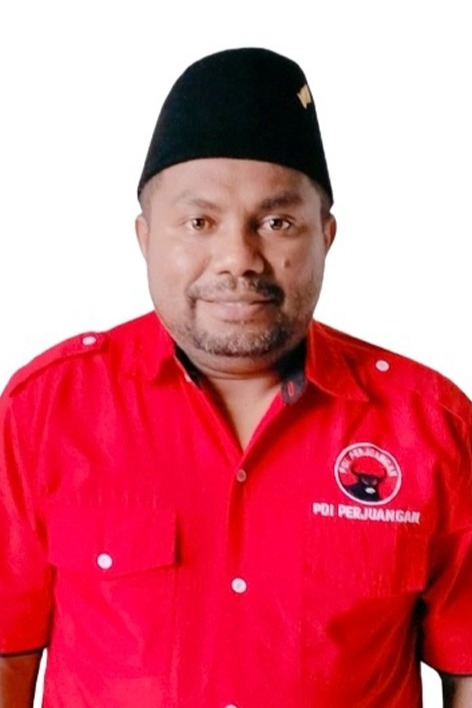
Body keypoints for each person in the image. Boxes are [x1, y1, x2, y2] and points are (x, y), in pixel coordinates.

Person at [0, 47, 471, 708]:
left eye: (276, 223)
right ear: (145, 237)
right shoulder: (48, 408)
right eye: (199, 222)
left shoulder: (430, 424)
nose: (238, 258)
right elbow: (8, 655)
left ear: (325, 236)